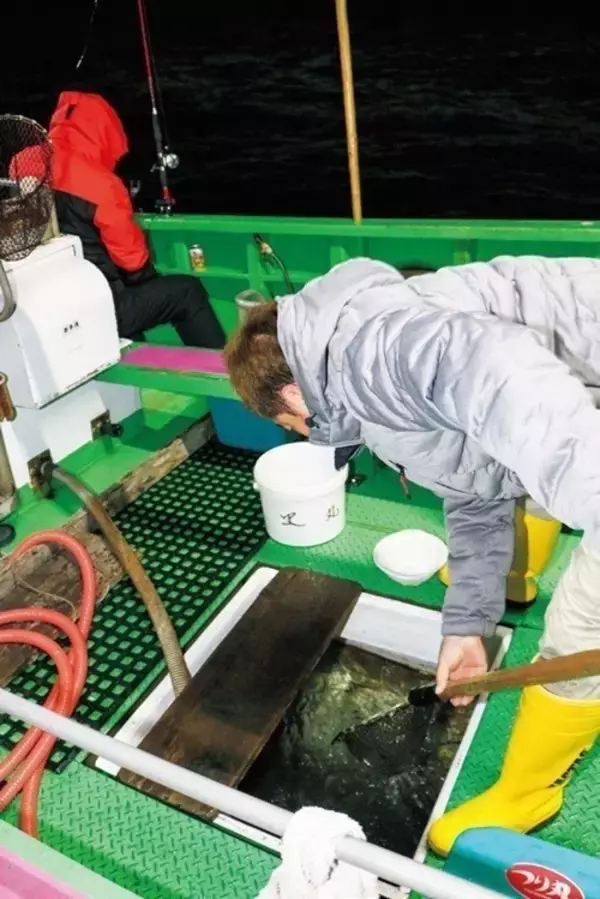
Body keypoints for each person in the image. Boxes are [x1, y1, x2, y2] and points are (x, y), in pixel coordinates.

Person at [224, 255, 600, 856]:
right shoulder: (362, 360)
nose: (303, 434)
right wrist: (467, 626)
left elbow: (501, 373)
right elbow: (476, 491)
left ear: (294, 392)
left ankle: (528, 794)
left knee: (581, 626)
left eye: (292, 424)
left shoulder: (366, 354)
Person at [48, 90, 225, 348]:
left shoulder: (25, 164)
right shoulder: (102, 184)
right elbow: (132, 261)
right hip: (99, 309)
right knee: (186, 291)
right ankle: (224, 376)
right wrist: (151, 283)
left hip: (52, 305)